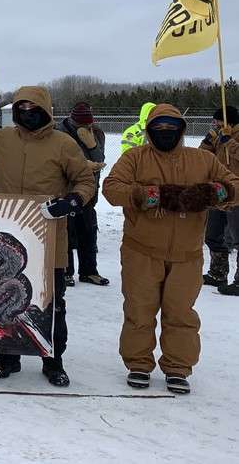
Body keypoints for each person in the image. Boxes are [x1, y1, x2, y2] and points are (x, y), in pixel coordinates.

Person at [0, 87, 96, 387]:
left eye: (32, 108)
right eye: (20, 108)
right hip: (7, 238)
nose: (26, 113)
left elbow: (85, 179)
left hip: (49, 239)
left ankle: (52, 358)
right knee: (4, 296)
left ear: (45, 110)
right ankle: (8, 355)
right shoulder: (4, 138)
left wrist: (72, 200)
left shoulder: (64, 144)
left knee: (51, 302)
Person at [102, 104, 239, 393]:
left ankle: (177, 366)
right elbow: (112, 189)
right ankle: (138, 363)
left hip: (187, 255)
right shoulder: (135, 157)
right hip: (141, 251)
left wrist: (212, 193)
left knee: (180, 313)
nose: (165, 132)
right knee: (139, 310)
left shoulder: (202, 159)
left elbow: (233, 186)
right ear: (150, 130)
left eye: (171, 127)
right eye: (159, 127)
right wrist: (149, 195)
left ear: (182, 130)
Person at [56, 102, 109, 287]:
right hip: (66, 190)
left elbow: (100, 159)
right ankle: (66, 271)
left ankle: (89, 271)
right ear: (72, 120)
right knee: (66, 233)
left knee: (88, 231)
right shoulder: (59, 132)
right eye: (81, 124)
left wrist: (92, 144)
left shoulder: (97, 132)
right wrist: (82, 165)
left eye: (88, 124)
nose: (85, 128)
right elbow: (57, 160)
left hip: (89, 191)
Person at [199, 106, 239, 294]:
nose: (214, 124)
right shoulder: (217, 137)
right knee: (213, 235)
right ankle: (217, 273)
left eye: (217, 121)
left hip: (237, 195)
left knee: (237, 239)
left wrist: (229, 141)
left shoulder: (232, 138)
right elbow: (202, 157)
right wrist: (209, 141)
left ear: (229, 122)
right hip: (218, 194)